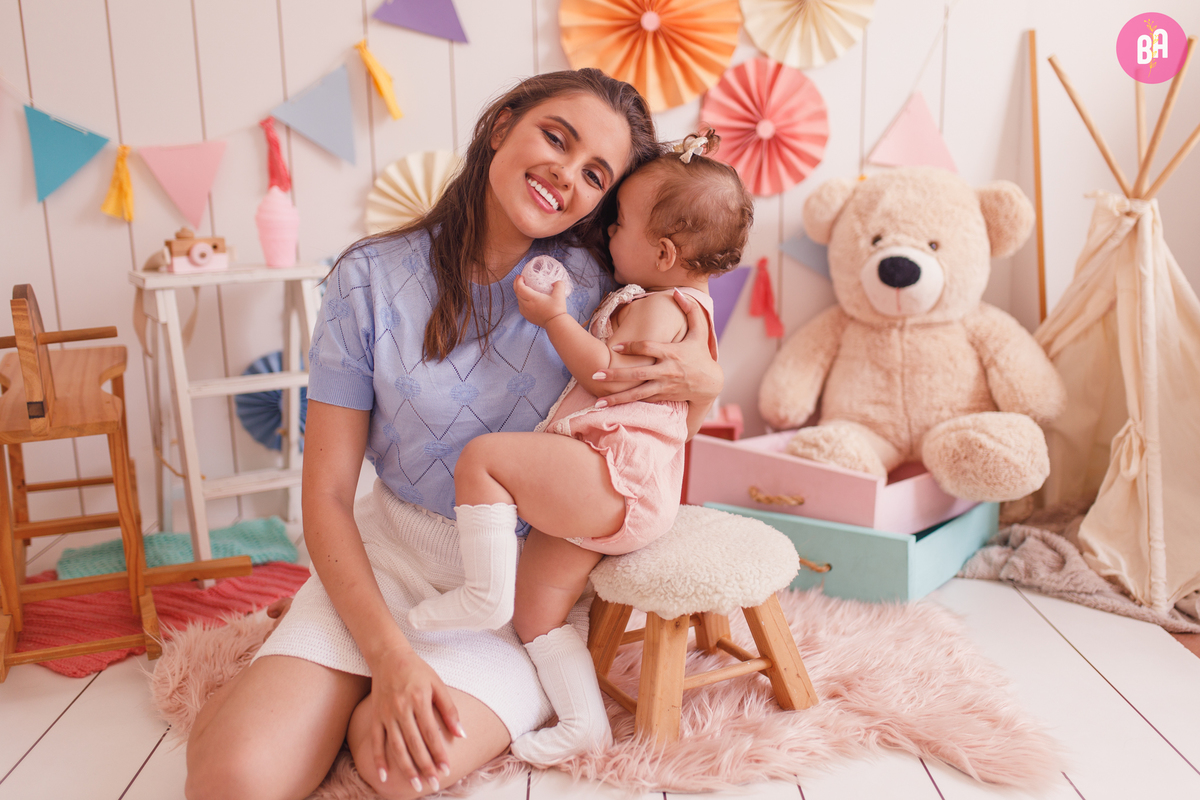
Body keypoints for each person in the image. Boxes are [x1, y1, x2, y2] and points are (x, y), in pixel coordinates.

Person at [183, 68, 723, 800]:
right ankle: (312, 662)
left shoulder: (611, 289)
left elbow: (670, 398)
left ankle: (344, 695)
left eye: (595, 173)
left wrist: (709, 381)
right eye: (555, 139)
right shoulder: (366, 279)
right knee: (234, 781)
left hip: (513, 602)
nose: (564, 175)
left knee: (396, 768)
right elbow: (330, 495)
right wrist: (390, 653)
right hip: (386, 563)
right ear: (503, 126)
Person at [406, 132, 753, 766]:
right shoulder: (691, 309)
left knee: (482, 459)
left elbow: (606, 377)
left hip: (610, 477)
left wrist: (554, 318)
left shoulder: (661, 308)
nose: (609, 234)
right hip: (620, 494)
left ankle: (482, 593)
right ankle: (582, 723)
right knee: (537, 617)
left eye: (617, 224)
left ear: (666, 251)